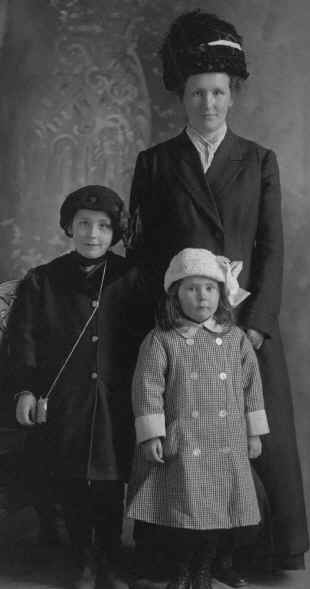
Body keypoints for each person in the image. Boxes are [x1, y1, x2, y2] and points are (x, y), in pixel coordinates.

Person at [127, 9, 309, 573]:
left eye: (218, 93)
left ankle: (260, 550)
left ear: (233, 96)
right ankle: (174, 551)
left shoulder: (259, 161)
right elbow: (143, 254)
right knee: (181, 435)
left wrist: (255, 323)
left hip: (243, 323)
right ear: (182, 97)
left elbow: (273, 249)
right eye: (197, 93)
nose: (208, 103)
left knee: (256, 432)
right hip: (179, 323)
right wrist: (167, 319)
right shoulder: (156, 163)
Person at [7, 185, 144, 589]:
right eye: (83, 224)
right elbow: (24, 339)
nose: (92, 234)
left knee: (110, 477)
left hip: (115, 399)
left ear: (114, 233)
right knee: (71, 478)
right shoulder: (42, 280)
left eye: (103, 227)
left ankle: (111, 557)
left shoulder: (130, 278)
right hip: (65, 400)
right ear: (69, 226)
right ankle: (82, 560)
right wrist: (26, 390)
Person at [127, 248, 270, 589]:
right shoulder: (161, 340)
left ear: (221, 293)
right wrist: (151, 435)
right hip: (183, 441)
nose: (201, 296)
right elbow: (147, 388)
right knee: (183, 510)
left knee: (221, 511)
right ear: (175, 294)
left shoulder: (235, 340)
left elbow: (252, 389)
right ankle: (182, 570)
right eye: (191, 288)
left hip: (226, 441)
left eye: (209, 287)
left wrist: (254, 434)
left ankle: (205, 568)